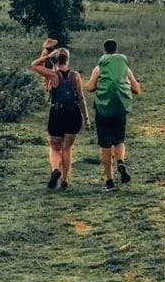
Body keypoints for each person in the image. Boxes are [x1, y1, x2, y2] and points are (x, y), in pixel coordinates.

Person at [30, 38, 88, 190]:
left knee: (55, 147)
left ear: (55, 59)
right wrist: (86, 118)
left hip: (57, 114)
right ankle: (65, 181)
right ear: (68, 60)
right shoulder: (75, 76)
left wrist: (48, 56)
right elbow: (81, 98)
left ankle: (55, 170)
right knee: (67, 148)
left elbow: (34, 65)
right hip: (73, 114)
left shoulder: (53, 76)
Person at [85, 38, 142, 191]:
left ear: (104, 51)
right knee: (119, 140)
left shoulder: (99, 68)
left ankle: (109, 181)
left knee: (105, 146)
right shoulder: (125, 68)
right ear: (117, 50)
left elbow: (89, 88)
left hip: (103, 111)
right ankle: (121, 162)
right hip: (119, 110)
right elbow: (137, 89)